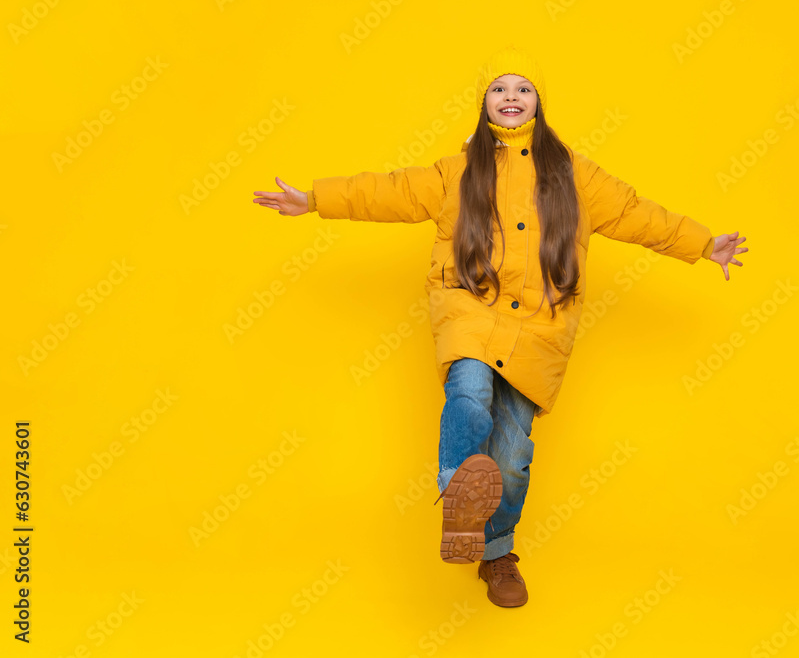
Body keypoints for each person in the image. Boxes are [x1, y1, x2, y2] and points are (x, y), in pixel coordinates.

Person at [251, 44, 748, 609]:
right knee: (468, 393)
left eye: (523, 88)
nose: (511, 97)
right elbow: (389, 191)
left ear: (538, 102)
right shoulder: (456, 171)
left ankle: (496, 552)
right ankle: (456, 500)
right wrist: (315, 198)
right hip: (470, 302)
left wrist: (704, 245)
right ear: (484, 104)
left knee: (511, 460)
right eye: (499, 88)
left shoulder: (575, 174)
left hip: (541, 325)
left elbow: (637, 213)